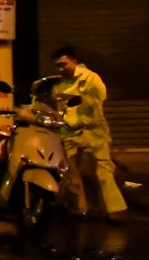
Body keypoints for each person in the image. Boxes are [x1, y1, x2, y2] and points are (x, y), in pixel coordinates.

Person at [52, 44, 126, 222]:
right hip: (69, 132)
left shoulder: (91, 78)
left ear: (74, 61)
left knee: (103, 172)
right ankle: (79, 209)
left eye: (64, 64)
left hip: (93, 131)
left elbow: (99, 98)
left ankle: (116, 210)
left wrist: (80, 98)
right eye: (58, 66)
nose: (61, 69)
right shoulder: (58, 84)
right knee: (71, 173)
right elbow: (57, 107)